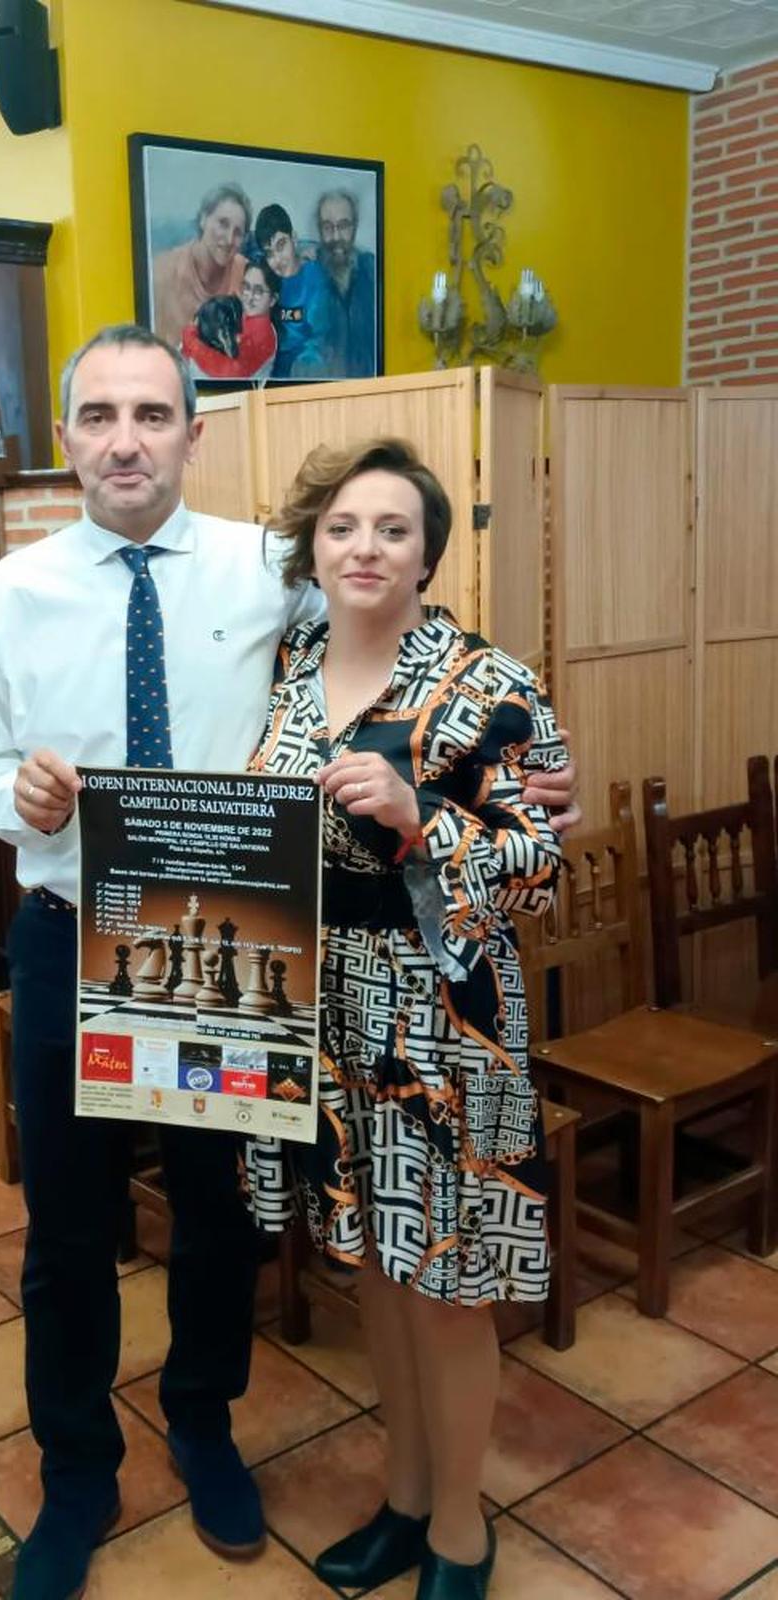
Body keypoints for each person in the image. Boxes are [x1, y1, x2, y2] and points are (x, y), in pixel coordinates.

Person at [0, 325, 578, 1600]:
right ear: (64, 437)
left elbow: (405, 636)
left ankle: (204, 1427)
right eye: (98, 415)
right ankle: (77, 1471)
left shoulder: (266, 569)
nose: (124, 439)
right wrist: (13, 792)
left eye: (152, 413)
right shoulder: (11, 591)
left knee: (218, 1212)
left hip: (233, 949)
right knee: (66, 1227)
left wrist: (537, 780)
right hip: (71, 941)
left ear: (194, 430)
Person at [244, 437, 565, 1600]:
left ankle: (463, 1533)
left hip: (440, 1013)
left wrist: (421, 812)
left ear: (428, 550)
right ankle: (407, 1497)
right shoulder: (295, 657)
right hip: (329, 1002)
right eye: (341, 527)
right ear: (313, 548)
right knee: (375, 1267)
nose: (364, 546)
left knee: (447, 1282)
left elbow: (541, 869)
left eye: (390, 528)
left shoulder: (489, 680)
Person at [151, 183, 250, 347]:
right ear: (203, 219)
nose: (229, 239)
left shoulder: (247, 274)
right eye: (223, 224)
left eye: (238, 232)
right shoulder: (162, 272)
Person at [255, 202, 333, 379]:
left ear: (294, 239)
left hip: (304, 366)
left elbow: (320, 336)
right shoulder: (265, 276)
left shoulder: (315, 277)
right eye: (269, 253)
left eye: (281, 245)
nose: (277, 259)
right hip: (269, 367)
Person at [179, 261, 279, 380]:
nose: (249, 297)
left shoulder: (262, 330)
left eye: (258, 291)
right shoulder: (242, 314)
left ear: (273, 299)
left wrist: (191, 341)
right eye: (246, 287)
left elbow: (231, 373)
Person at [315, 188, 378, 378]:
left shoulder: (372, 270)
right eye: (327, 227)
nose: (335, 237)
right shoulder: (307, 274)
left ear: (355, 227)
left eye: (343, 226)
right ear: (319, 230)